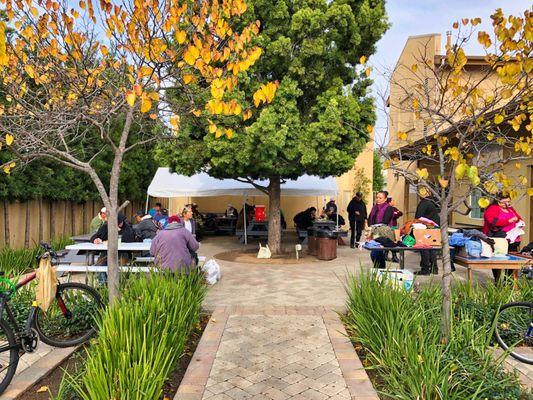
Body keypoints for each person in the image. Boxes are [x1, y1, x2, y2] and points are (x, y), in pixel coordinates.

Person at [483, 193, 523, 281]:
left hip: (512, 239)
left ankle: (508, 282)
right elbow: (492, 222)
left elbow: (519, 218)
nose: (507, 204)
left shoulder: (510, 209)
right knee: (498, 260)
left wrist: (520, 222)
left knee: (511, 261)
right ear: (498, 201)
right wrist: (508, 221)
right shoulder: (492, 208)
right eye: (504, 202)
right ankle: (497, 281)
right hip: (499, 239)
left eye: (509, 201)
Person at [90, 212, 136, 282]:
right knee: (100, 262)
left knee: (121, 264)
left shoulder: (127, 228)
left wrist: (120, 231)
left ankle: (121, 282)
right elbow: (95, 236)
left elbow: (130, 240)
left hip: (123, 252)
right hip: (107, 252)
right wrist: (95, 240)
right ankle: (103, 283)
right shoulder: (106, 227)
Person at [414, 188, 440, 275]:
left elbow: (418, 217)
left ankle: (425, 269)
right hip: (435, 226)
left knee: (424, 247)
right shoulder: (434, 202)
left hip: (426, 228)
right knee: (431, 248)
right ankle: (434, 268)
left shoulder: (424, 203)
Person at [367, 191, 394, 268]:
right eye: (377, 197)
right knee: (375, 254)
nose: (378, 199)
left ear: (385, 199)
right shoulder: (374, 207)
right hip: (374, 233)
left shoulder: (388, 208)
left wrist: (375, 228)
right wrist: (370, 229)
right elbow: (370, 219)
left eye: (380, 198)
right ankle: (379, 270)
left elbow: (385, 222)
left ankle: (381, 270)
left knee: (375, 253)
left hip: (383, 234)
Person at [387, 197, 403, 263]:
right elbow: (393, 216)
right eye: (393, 200)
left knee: (394, 241)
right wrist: (396, 213)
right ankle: (390, 256)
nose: (394, 201)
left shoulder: (394, 208)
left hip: (394, 227)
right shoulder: (387, 208)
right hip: (389, 227)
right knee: (390, 241)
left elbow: (401, 213)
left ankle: (392, 256)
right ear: (389, 202)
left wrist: (397, 213)